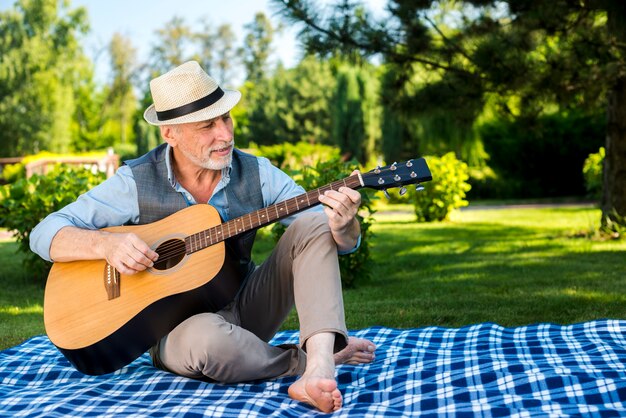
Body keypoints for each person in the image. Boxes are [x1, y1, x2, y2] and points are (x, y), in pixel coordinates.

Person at [30, 61, 376, 413]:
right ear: (170, 134)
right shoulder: (134, 182)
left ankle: (320, 364)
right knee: (207, 340)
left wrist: (344, 226)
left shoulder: (258, 173)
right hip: (179, 334)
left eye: (226, 118)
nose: (225, 134)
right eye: (207, 125)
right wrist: (105, 245)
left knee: (314, 225)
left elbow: (330, 240)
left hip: (248, 305)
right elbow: (44, 234)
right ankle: (301, 363)